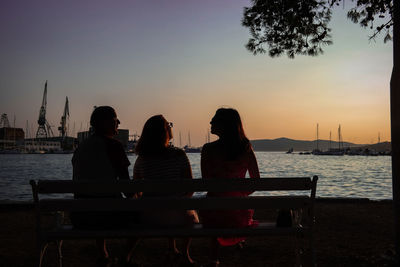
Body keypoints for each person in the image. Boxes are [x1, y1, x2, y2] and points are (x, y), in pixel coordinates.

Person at [71, 106, 137, 266]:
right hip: (109, 216)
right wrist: (137, 196)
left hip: (81, 218)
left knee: (98, 201)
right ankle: (125, 257)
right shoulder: (114, 146)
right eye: (116, 120)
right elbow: (126, 189)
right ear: (106, 123)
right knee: (140, 210)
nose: (119, 122)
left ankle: (103, 254)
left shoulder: (80, 148)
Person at [133, 115, 199, 266]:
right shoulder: (179, 155)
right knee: (186, 212)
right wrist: (183, 201)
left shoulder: (142, 158)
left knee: (167, 204)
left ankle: (171, 248)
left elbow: (136, 188)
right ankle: (185, 254)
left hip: (148, 217)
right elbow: (191, 185)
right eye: (168, 125)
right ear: (165, 132)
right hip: (177, 216)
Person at [200, 108, 260, 267]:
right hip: (239, 213)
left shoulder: (208, 150)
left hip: (213, 215)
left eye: (214, 120)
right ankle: (236, 241)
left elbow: (206, 182)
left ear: (225, 125)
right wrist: (240, 193)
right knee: (229, 208)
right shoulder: (246, 149)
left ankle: (214, 259)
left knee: (213, 204)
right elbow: (256, 182)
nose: (210, 122)